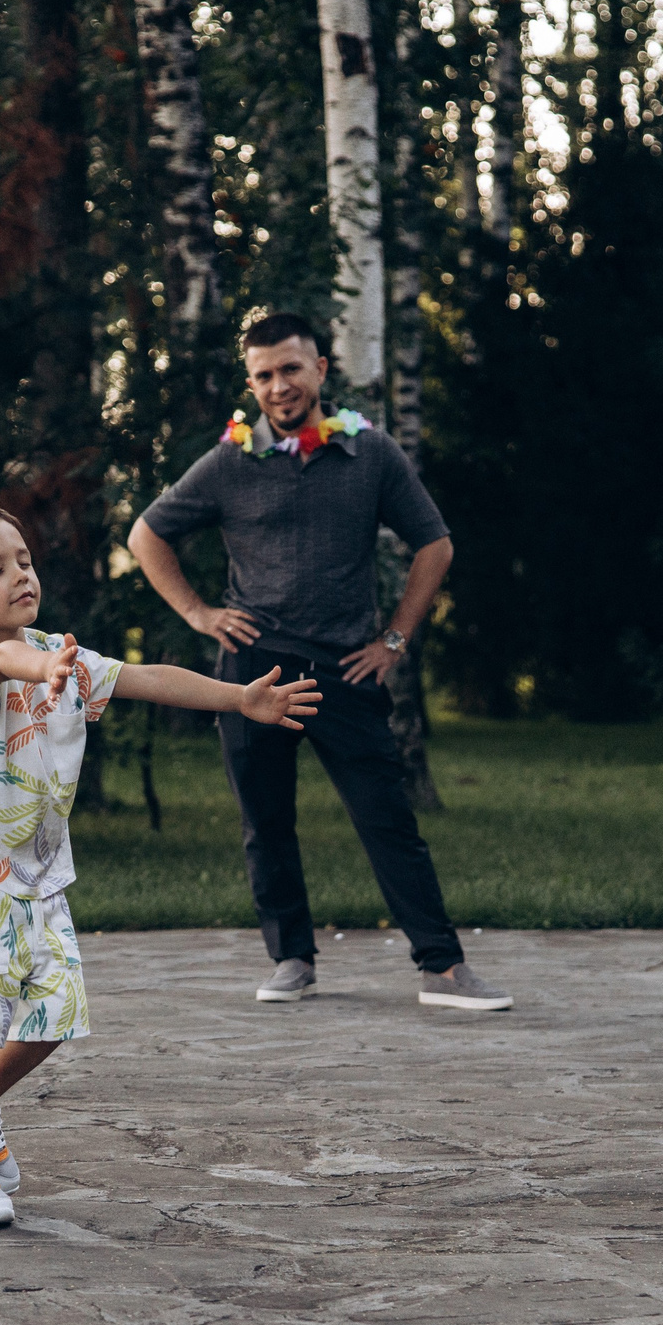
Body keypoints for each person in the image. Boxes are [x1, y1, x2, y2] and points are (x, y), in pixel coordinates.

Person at [0, 501, 321, 1229]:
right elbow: (2, 665)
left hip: (40, 884)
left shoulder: (63, 654)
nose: (20, 576)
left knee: (49, 1020)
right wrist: (44, 665)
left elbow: (148, 678)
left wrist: (240, 699)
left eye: (24, 561)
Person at [125, 312, 510, 1012]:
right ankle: (292, 957)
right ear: (252, 383)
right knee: (265, 820)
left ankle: (444, 967)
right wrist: (200, 615)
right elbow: (147, 533)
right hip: (254, 669)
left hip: (345, 667)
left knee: (386, 816)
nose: (279, 385)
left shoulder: (372, 455)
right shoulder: (227, 463)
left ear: (321, 370)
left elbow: (436, 545)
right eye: (265, 374)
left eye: (292, 369)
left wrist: (392, 640)